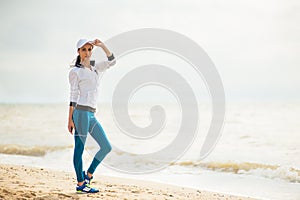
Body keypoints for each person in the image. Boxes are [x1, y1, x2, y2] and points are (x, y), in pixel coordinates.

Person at [67, 38, 116, 193]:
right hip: (80, 113)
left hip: (92, 114)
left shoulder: (95, 68)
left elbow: (112, 61)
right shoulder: (75, 72)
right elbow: (73, 96)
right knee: (79, 150)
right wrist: (70, 119)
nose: (87, 53)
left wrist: (102, 45)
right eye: (84, 50)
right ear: (78, 52)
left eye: (89, 49)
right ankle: (81, 184)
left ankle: (88, 175)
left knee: (106, 147)